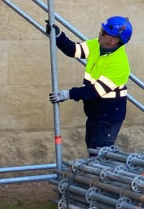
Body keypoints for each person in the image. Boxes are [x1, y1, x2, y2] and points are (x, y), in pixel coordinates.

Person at [47, 16, 133, 152]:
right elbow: (73, 50)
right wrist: (58, 36)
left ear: (113, 40)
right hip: (95, 113)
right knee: (93, 150)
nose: (100, 33)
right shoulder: (97, 45)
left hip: (109, 115)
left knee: (100, 154)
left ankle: (109, 172)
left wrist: (68, 94)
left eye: (104, 32)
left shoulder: (119, 63)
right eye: (101, 29)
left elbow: (95, 91)